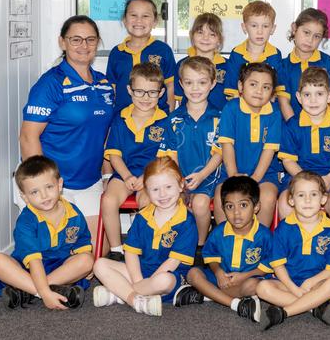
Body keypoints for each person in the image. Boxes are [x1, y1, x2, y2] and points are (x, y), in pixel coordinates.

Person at [19, 15, 114, 247]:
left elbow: (106, 136)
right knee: (56, 251)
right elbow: (28, 137)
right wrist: (42, 187)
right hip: (57, 186)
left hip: (90, 182)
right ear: (62, 42)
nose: (84, 45)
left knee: (94, 254)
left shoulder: (104, 84)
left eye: (90, 39)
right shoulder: (50, 84)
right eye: (76, 39)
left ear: (98, 43)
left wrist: (107, 176)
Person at [93, 157, 198, 317]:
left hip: (170, 275)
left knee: (163, 280)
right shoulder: (143, 217)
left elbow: (172, 262)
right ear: (147, 191)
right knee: (99, 265)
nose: (162, 194)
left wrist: (146, 283)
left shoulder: (187, 222)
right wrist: (138, 282)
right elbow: (131, 253)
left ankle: (120, 294)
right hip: (142, 271)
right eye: (155, 189)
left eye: (168, 187)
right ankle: (135, 299)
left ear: (181, 185)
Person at [0, 156, 94, 310]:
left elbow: (83, 242)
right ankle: (46, 291)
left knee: (87, 260)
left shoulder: (73, 213)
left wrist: (87, 264)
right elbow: (34, 261)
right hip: (27, 268)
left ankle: (26, 291)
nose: (44, 196)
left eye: (49, 187)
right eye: (34, 192)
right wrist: (44, 292)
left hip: (60, 268)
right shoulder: (26, 221)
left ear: (59, 185)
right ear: (25, 197)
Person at [174, 176, 273, 324]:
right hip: (221, 278)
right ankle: (237, 304)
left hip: (247, 279)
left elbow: (269, 264)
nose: (236, 213)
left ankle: (207, 294)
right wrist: (218, 272)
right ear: (223, 208)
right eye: (230, 206)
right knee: (193, 273)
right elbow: (211, 256)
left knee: (255, 287)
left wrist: (244, 276)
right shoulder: (219, 231)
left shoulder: (264, 235)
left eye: (243, 205)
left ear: (256, 207)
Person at [256, 171, 330, 330]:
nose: (308, 200)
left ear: (323, 198)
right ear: (291, 200)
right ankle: (314, 307)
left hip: (317, 283)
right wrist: (294, 289)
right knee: (262, 288)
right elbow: (278, 265)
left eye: (314, 194)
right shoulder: (283, 228)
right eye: (301, 195)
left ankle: (283, 313)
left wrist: (310, 283)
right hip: (288, 283)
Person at [101, 63, 169, 261]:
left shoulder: (166, 121)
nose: (145, 98)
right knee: (108, 200)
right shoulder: (120, 119)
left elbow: (164, 157)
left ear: (161, 92)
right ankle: (116, 250)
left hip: (153, 175)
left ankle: (142, 247)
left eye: (152, 92)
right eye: (139, 92)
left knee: (148, 202)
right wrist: (127, 176)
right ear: (130, 90)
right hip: (124, 173)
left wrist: (146, 177)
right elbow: (114, 155)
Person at [278, 67, 330, 241]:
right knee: (285, 204)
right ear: (298, 97)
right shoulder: (291, 126)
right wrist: (306, 182)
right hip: (298, 176)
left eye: (319, 94)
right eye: (307, 94)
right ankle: (293, 245)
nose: (313, 100)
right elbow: (288, 161)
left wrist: (328, 179)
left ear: (329, 96)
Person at [159, 56, 222, 262]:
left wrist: (202, 175)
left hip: (210, 177)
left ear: (212, 84)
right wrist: (179, 182)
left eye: (202, 82)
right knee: (173, 203)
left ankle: (200, 246)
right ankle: (175, 246)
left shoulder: (219, 117)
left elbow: (220, 152)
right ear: (181, 84)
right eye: (189, 82)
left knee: (201, 204)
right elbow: (171, 155)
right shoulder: (173, 119)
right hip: (180, 178)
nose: (195, 88)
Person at [213, 63, 282, 227]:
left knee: (267, 197)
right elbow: (227, 146)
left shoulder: (274, 113)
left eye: (266, 87)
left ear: (272, 93)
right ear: (240, 86)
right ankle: (224, 241)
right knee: (220, 195)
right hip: (231, 172)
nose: (259, 91)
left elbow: (269, 150)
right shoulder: (231, 108)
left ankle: (260, 242)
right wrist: (234, 175)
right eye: (253, 84)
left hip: (264, 174)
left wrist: (254, 180)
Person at [107, 0, 176, 113]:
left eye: (145, 16)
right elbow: (111, 90)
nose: (139, 20)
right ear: (124, 20)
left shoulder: (163, 50)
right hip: (123, 120)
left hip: (157, 120)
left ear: (154, 22)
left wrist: (169, 116)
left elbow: (170, 87)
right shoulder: (116, 53)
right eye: (133, 15)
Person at [277, 8, 330, 120]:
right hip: (295, 129)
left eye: (317, 36)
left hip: (324, 127)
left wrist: (328, 124)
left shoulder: (328, 63)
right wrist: (294, 128)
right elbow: (284, 102)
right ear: (294, 28)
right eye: (306, 33)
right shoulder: (284, 66)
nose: (310, 40)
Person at [223, 1, 284, 99]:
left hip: (267, 106)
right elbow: (231, 88)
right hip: (241, 107)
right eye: (254, 26)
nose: (260, 31)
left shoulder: (275, 54)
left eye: (265, 26)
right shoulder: (236, 53)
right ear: (244, 27)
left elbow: (278, 87)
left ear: (272, 29)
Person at [174, 13, 228, 111]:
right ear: (192, 35)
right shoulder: (181, 65)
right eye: (200, 32)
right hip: (190, 122)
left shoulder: (229, 66)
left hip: (221, 121)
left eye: (212, 34)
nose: (205, 38)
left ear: (219, 39)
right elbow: (180, 100)